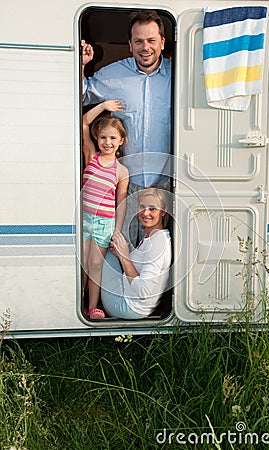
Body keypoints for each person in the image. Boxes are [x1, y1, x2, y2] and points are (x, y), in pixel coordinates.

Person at [81, 10, 172, 248]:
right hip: (126, 183)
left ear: (162, 43)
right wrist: (81, 65)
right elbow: (81, 94)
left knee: (163, 254)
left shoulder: (177, 75)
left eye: (151, 40)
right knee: (123, 247)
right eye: (139, 41)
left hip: (167, 182)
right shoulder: (113, 74)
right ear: (130, 45)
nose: (146, 47)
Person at [82, 101, 129, 319]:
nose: (107, 142)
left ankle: (93, 307)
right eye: (103, 137)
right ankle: (76, 303)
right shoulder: (91, 156)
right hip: (83, 219)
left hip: (104, 223)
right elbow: (84, 122)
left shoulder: (121, 170)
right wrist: (104, 106)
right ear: (97, 139)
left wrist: (116, 230)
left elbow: (121, 202)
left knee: (95, 264)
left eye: (112, 138)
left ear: (121, 141)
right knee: (81, 263)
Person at [100, 187, 172, 319]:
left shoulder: (158, 243)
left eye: (152, 209)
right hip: (132, 302)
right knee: (110, 252)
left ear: (163, 211)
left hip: (127, 306)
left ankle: (90, 305)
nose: (145, 213)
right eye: (142, 207)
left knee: (102, 251)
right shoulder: (152, 236)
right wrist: (120, 254)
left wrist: (124, 256)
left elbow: (143, 291)